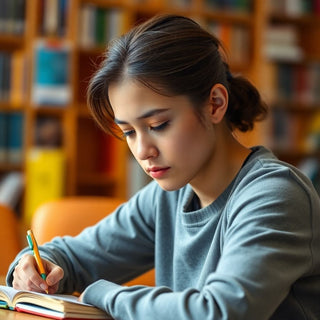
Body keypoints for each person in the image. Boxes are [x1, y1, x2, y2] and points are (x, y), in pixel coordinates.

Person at [7, 14, 320, 320]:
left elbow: (222, 311)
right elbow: (72, 257)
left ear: (214, 104)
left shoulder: (276, 195)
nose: (142, 151)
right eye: (128, 132)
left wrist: (101, 294)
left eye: (158, 124)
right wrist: (32, 266)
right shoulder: (168, 196)